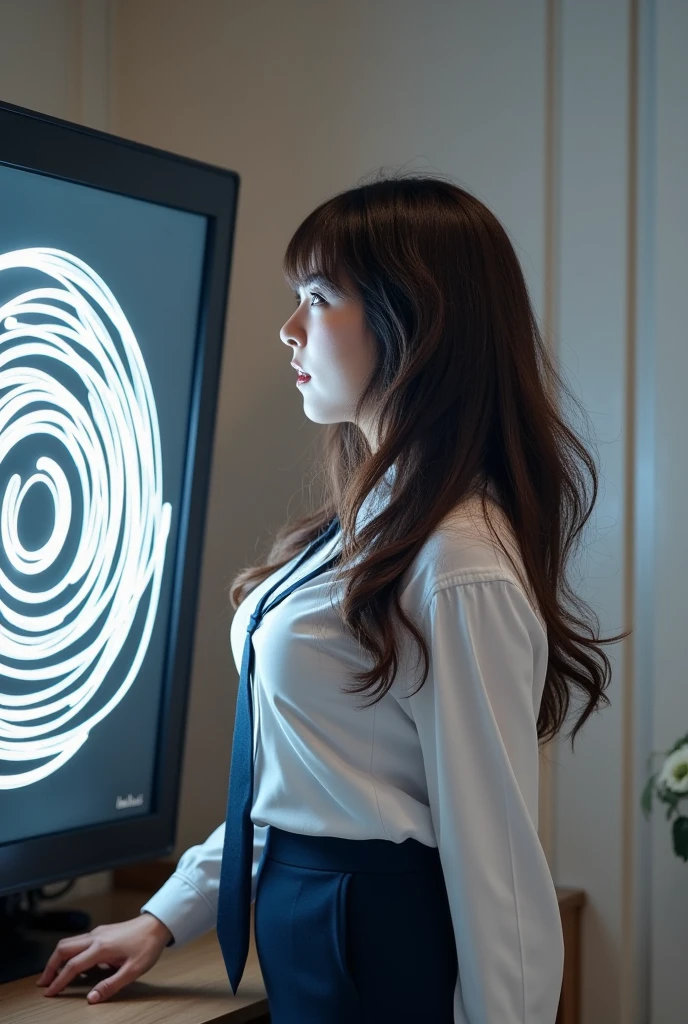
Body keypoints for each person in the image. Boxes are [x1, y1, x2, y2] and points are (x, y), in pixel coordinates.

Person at [36, 172, 630, 1021]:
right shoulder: (364, 527)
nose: (287, 330)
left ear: (413, 320)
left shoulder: (457, 560)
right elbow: (294, 782)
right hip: (313, 916)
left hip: (375, 935)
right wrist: (166, 917)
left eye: (317, 297)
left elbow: (495, 860)